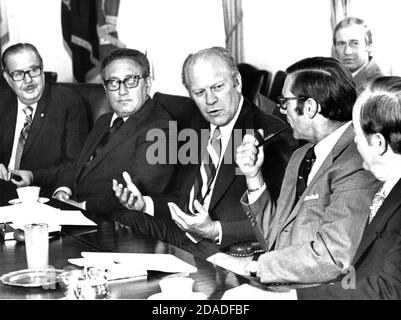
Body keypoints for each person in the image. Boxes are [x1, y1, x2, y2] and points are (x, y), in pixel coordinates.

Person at [112, 47, 298, 258]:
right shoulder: (196, 125)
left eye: (218, 87)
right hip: (182, 233)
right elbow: (185, 196)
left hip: (218, 245)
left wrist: (215, 229)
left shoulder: (270, 136)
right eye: (200, 92)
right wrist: (145, 204)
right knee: (123, 218)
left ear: (237, 81)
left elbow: (277, 220)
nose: (210, 101)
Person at [234, 56, 381, 285]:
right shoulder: (300, 156)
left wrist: (254, 266)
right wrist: (253, 176)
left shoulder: (358, 161)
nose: (282, 111)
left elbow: (335, 256)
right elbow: (275, 241)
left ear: (310, 107)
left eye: (285, 102)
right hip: (282, 286)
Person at [296, 76, 401, 299]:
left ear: (379, 143)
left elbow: (390, 289)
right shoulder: (389, 190)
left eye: (357, 134)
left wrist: (290, 298)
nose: (354, 142)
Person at [53, 48, 175, 214]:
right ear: (105, 88)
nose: (122, 91)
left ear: (147, 83)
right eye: (113, 82)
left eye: (131, 80)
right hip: (73, 212)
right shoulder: (105, 120)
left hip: (113, 223)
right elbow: (81, 165)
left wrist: (82, 207)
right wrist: (63, 190)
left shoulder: (161, 128)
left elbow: (142, 192)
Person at [0, 43, 88, 194]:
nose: (28, 80)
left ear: (42, 69)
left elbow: (75, 163)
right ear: (8, 78)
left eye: (34, 70)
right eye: (19, 74)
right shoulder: (2, 102)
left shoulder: (67, 102)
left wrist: (34, 176)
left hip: (41, 193)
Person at [333, 16, 386, 95]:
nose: (347, 51)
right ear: (335, 48)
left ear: (368, 46)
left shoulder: (381, 86)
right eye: (341, 44)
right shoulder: (333, 77)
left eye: (355, 43)